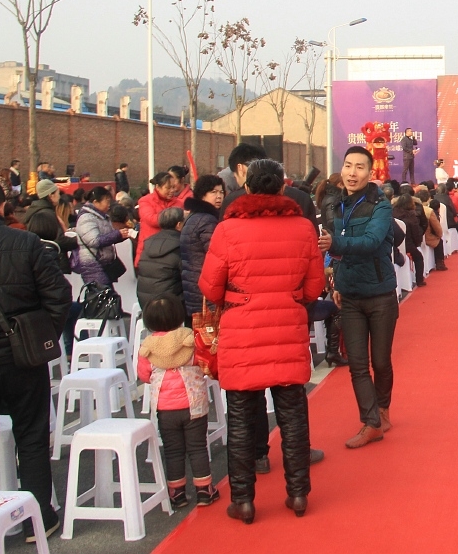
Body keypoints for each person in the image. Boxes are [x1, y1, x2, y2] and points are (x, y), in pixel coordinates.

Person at [200, 158, 326, 523]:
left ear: (247, 187)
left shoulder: (227, 229)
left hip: (242, 331)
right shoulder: (303, 227)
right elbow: (314, 287)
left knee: (241, 419)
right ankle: (298, 493)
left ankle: (243, 500)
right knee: (293, 415)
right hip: (287, 327)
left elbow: (210, 286)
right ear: (283, 187)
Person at [0, 180, 70, 542]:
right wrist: (41, 335)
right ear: (2, 206)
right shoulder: (27, 243)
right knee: (32, 436)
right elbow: (59, 295)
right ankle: (38, 518)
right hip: (23, 357)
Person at [321, 146, 398, 449]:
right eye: (348, 165)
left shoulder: (381, 206)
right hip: (350, 295)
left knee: (380, 361)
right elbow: (338, 251)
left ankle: (382, 408)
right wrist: (336, 280)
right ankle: (371, 422)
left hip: (380, 295)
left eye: (359, 167)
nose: (352, 173)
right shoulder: (336, 205)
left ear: (370, 172)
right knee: (357, 364)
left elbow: (371, 242)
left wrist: (334, 244)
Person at [136, 295, 220, 509]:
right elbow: (204, 363)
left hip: (165, 409)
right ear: (179, 317)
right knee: (198, 447)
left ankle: (177, 493)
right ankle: (204, 490)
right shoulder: (191, 340)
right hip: (194, 405)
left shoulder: (147, 348)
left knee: (173, 451)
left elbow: (144, 376)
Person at [180, 175, 224, 321]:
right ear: (202, 195)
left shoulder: (193, 217)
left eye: (221, 192)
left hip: (192, 288)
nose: (219, 196)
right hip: (205, 290)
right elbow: (216, 254)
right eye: (213, 192)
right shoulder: (207, 220)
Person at [72, 185, 130, 289]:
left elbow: (109, 235)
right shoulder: (86, 218)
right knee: (101, 294)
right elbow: (94, 241)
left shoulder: (102, 217)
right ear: (95, 202)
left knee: (101, 294)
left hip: (102, 264)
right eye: (106, 201)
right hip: (92, 264)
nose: (109, 204)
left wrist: (123, 235)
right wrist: (117, 234)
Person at [137, 207, 185, 308]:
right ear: (179, 225)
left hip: (146, 304)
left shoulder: (148, 243)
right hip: (171, 305)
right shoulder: (180, 245)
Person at [136, 170, 185, 265]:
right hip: (149, 250)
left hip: (172, 250)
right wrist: (174, 217)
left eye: (173, 187)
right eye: (168, 188)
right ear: (158, 187)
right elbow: (151, 219)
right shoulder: (145, 201)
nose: (172, 191)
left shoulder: (179, 203)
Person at [393, 195, 426, 288]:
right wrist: (417, 243)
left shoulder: (392, 213)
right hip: (408, 245)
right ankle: (419, 280)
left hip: (394, 245)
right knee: (419, 258)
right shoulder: (411, 216)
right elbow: (416, 233)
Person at [417, 186, 447, 272]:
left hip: (414, 237)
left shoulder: (414, 208)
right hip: (427, 237)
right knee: (439, 241)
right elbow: (437, 227)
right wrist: (439, 235)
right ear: (428, 199)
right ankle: (439, 263)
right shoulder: (428, 211)